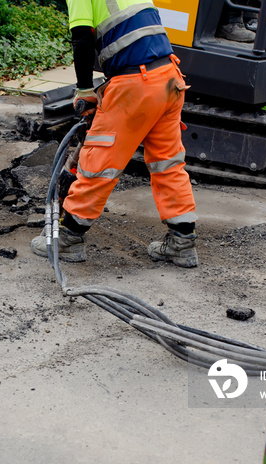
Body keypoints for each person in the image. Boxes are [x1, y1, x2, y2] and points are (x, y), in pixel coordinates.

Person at [30, 0, 199, 268]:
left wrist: (85, 90)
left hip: (136, 84)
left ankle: (68, 239)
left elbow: (82, 39)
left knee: (100, 162)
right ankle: (182, 242)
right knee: (168, 163)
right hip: (168, 77)